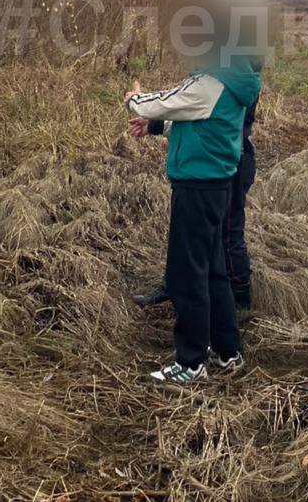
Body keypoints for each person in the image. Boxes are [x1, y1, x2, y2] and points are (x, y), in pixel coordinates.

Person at [125, 55, 261, 384]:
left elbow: (165, 102)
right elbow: (200, 117)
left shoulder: (210, 81)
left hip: (196, 187)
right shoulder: (233, 81)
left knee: (187, 275)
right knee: (213, 272)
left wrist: (134, 101)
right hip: (214, 185)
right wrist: (156, 125)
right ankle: (228, 352)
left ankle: (191, 361)